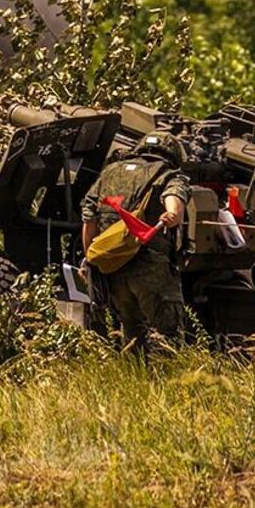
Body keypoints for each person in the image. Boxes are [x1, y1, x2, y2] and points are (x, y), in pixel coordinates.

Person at [81, 132, 190, 351]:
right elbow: (174, 199)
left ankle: (136, 375)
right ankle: (170, 381)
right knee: (170, 334)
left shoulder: (109, 173)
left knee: (131, 331)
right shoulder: (168, 174)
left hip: (114, 269)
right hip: (151, 270)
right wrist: (172, 213)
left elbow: (89, 219)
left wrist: (91, 259)